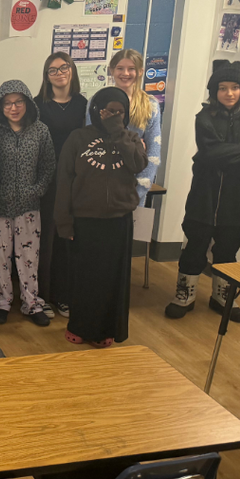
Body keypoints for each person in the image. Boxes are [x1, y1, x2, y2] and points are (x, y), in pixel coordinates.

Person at [165, 60, 240, 322]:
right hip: (205, 196)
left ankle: (223, 297)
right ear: (215, 91)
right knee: (195, 246)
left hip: (237, 200)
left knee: (228, 249)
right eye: (223, 88)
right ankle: (185, 295)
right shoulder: (204, 117)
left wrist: (239, 156)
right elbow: (210, 153)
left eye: (235, 87)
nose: (229, 93)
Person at [55, 87, 148, 347]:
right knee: (86, 277)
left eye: (119, 112)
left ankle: (108, 329)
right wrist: (64, 222)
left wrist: (117, 130)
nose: (113, 116)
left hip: (118, 220)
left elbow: (139, 165)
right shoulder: (77, 138)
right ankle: (80, 326)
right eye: (108, 111)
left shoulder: (131, 138)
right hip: (85, 220)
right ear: (96, 110)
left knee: (112, 279)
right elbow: (64, 181)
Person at [0, 80, 55, 326]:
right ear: (0, 106)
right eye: (7, 103)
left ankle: (31, 303)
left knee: (28, 258)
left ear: (27, 102)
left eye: (18, 102)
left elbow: (48, 166)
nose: (13, 108)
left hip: (29, 207)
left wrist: (36, 190)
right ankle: (2, 302)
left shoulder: (40, 131)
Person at [35, 52, 87, 319]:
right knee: (46, 238)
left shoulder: (83, 105)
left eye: (63, 67)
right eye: (52, 70)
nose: (59, 73)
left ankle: (64, 296)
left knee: (69, 237)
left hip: (75, 179)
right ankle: (42, 296)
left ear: (72, 70)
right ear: (46, 76)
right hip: (46, 179)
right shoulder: (38, 105)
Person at [87, 50, 161, 205]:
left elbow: (153, 153)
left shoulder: (150, 105)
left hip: (133, 191)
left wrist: (139, 190)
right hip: (101, 185)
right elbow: (90, 143)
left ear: (140, 71)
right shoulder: (96, 102)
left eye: (131, 68)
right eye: (120, 68)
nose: (125, 73)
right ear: (112, 70)